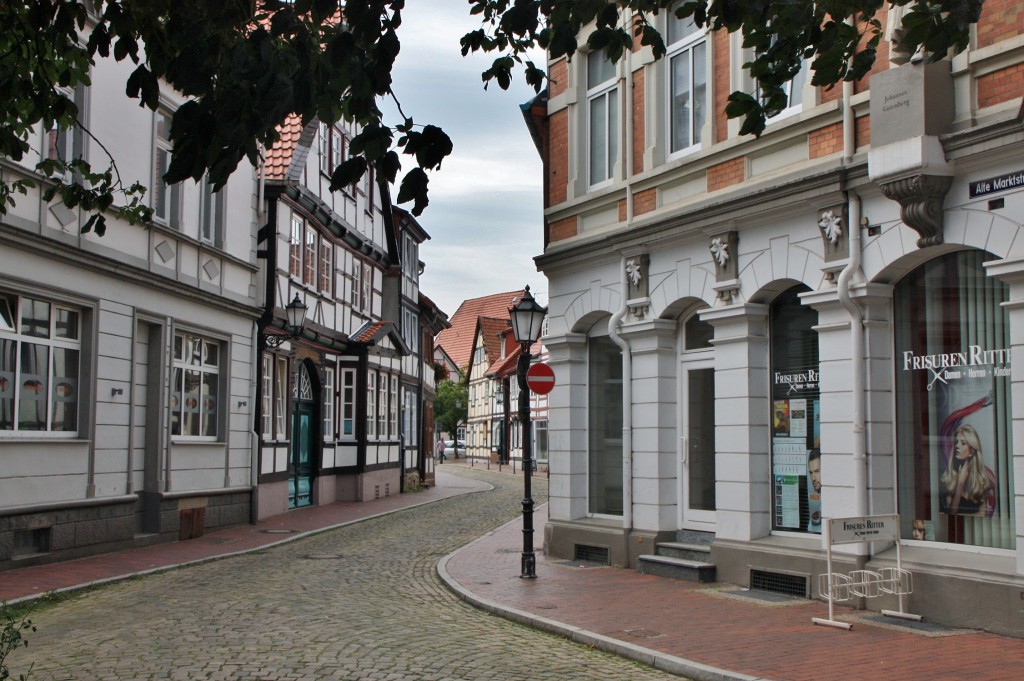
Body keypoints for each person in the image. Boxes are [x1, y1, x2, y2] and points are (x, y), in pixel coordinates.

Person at [940, 424, 994, 516]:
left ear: (972, 452)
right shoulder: (948, 478)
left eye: (963, 443)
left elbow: (982, 514)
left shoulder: (980, 480)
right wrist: (960, 484)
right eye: (956, 442)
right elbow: (952, 513)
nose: (957, 446)